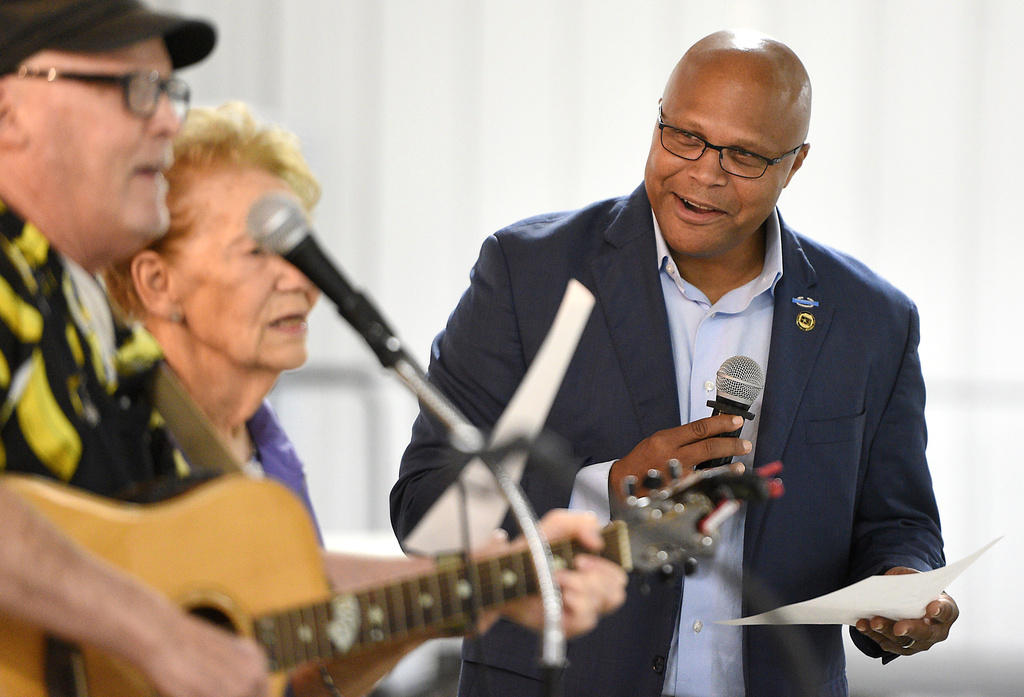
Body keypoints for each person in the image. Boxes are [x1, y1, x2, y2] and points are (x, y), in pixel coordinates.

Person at [0, 3, 625, 696]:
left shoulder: (91, 322)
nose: (166, 120)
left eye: (169, 91)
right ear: (10, 110)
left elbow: (270, 591)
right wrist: (156, 633)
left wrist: (489, 580)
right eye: (133, 89)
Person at [391, 28, 959, 697]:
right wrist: (608, 488)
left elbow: (899, 523)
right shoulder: (527, 274)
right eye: (682, 135)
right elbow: (427, 504)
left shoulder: (871, 318)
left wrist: (903, 590)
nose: (703, 171)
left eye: (743, 154)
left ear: (796, 162)